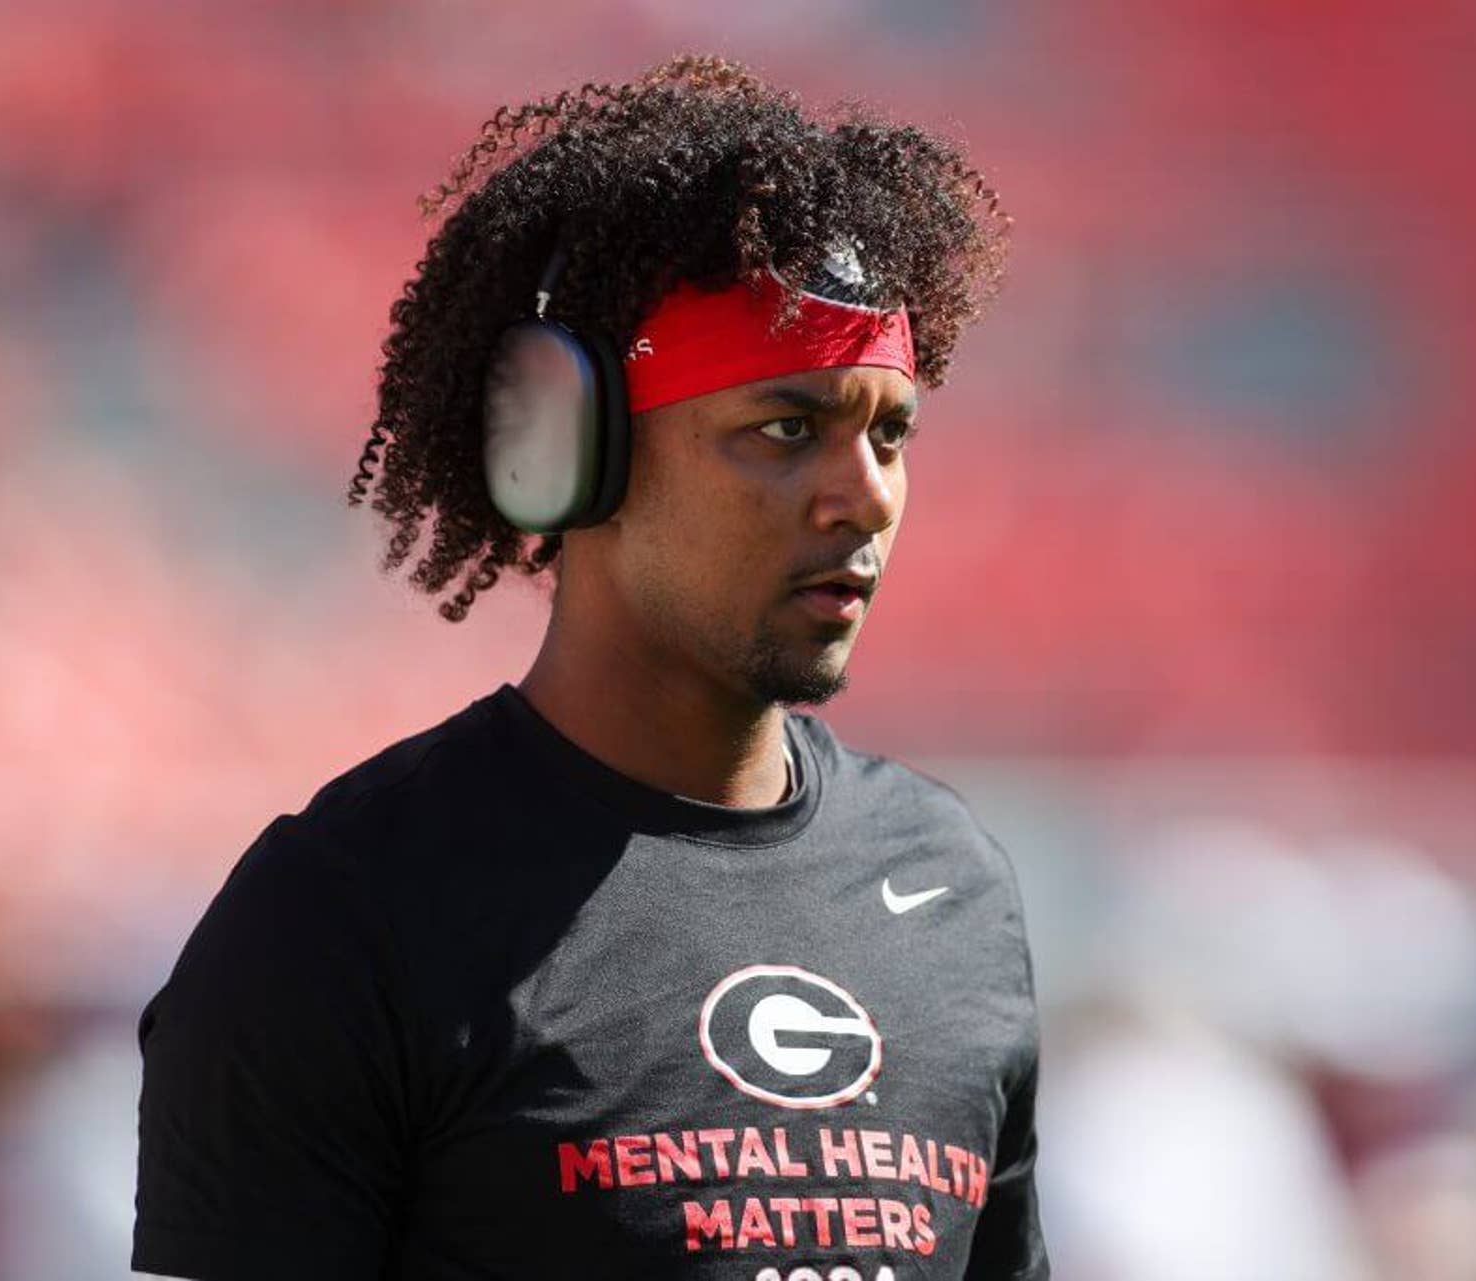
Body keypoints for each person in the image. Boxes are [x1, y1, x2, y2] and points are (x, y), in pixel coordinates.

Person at [132, 54, 1045, 1280]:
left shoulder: (953, 889)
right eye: (786, 428)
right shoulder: (345, 916)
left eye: (891, 433)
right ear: (568, 451)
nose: (866, 495)